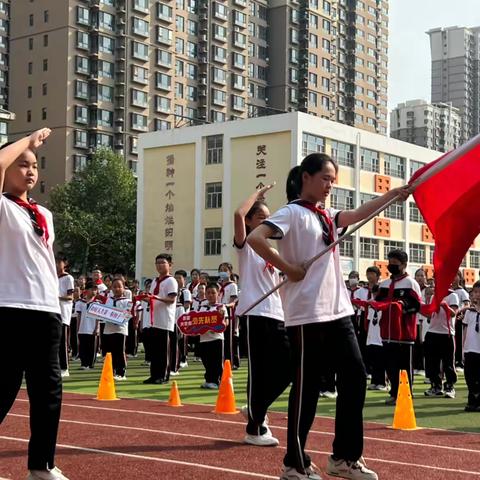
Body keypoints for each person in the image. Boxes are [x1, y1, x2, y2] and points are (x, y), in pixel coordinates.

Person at [248, 152, 409, 480]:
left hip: (339, 312)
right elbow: (255, 238)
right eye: (325, 178)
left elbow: (362, 212)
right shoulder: (291, 213)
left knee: (355, 379)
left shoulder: (329, 215)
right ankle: (294, 463)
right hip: (307, 315)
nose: (329, 186)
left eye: (333, 181)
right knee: (306, 389)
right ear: (305, 177)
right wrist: (289, 268)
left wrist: (394, 194)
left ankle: (345, 458)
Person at [0, 128, 71, 480]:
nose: (30, 170)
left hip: (46, 310)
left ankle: (41, 465)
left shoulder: (43, 212)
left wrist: (54, 306)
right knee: (3, 388)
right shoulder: (0, 206)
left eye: (34, 165)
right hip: (9, 308)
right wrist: (27, 141)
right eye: (21, 164)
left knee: (48, 392)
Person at [234, 184, 291, 447]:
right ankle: (255, 429)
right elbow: (237, 215)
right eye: (260, 217)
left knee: (287, 368)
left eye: (268, 218)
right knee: (258, 372)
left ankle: (257, 408)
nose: (266, 221)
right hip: (255, 313)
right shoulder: (245, 245)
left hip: (277, 315)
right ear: (249, 221)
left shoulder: (274, 251)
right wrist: (256, 193)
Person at [375, 250, 422, 405]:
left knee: (405, 367)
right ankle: (394, 392)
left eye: (395, 263)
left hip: (405, 333)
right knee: (391, 365)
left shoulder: (411, 283)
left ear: (404, 265)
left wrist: (401, 307)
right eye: (390, 262)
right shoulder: (384, 284)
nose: (392, 266)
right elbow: (378, 302)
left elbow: (417, 306)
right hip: (387, 332)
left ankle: (406, 394)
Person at [143, 254, 178, 385]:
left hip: (165, 321)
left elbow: (171, 299)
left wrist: (156, 298)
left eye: (163, 263)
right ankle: (154, 375)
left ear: (170, 264)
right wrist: (144, 298)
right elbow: (152, 298)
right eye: (157, 263)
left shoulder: (171, 281)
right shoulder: (155, 281)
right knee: (154, 351)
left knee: (163, 351)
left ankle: (163, 376)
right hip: (154, 320)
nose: (159, 265)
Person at [423, 289, 459, 398]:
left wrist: (445, 306)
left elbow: (453, 314)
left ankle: (450, 386)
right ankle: (436, 386)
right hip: (432, 331)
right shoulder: (435, 295)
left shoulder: (453, 295)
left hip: (446, 333)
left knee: (448, 362)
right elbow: (430, 315)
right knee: (432, 362)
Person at [197, 283, 228, 389]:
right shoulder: (202, 307)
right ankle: (209, 379)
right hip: (204, 339)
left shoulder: (221, 307)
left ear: (218, 294)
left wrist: (221, 317)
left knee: (216, 361)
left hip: (217, 338)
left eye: (213, 293)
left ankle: (217, 381)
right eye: (208, 293)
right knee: (206, 360)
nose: (210, 295)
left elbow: (226, 322)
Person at [103, 278, 131, 380]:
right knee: (110, 352)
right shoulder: (108, 300)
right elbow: (104, 312)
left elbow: (128, 314)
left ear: (124, 288)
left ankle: (121, 372)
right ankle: (112, 371)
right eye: (114, 286)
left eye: (119, 286)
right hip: (108, 329)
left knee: (120, 351)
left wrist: (118, 318)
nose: (116, 289)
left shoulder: (127, 301)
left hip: (120, 329)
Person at [462, 281, 480, 411]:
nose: (477, 295)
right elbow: (465, 330)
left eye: (479, 292)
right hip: (470, 349)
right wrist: (463, 348)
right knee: (469, 376)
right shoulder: (469, 312)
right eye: (475, 292)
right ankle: (472, 400)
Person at [218, 262, 239, 369]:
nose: (223, 272)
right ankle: (222, 361)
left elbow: (233, 301)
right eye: (221, 270)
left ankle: (230, 363)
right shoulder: (219, 286)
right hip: (219, 313)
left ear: (230, 272)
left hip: (228, 313)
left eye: (225, 270)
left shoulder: (232, 285)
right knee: (221, 339)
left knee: (229, 340)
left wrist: (225, 306)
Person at [57, 254, 75, 378]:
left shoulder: (68, 278)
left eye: (59, 262)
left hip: (63, 313)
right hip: (52, 311)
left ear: (65, 264)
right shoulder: (51, 276)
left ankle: (65, 368)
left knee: (63, 342)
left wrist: (56, 297)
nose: (56, 264)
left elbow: (70, 297)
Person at [171, 269, 192, 374]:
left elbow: (187, 304)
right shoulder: (173, 290)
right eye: (176, 278)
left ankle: (184, 359)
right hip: (173, 314)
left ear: (184, 279)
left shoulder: (185, 291)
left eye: (179, 278)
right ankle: (176, 358)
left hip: (181, 314)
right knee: (175, 338)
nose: (177, 280)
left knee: (182, 338)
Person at [76, 281, 100, 370]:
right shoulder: (80, 303)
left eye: (95, 289)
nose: (94, 291)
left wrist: (97, 328)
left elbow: (98, 317)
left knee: (91, 347)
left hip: (92, 328)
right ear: (87, 290)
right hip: (82, 328)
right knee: (83, 347)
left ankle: (90, 364)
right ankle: (83, 363)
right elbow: (78, 316)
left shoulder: (97, 303)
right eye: (92, 289)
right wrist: (78, 328)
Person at [452, 271, 470, 371]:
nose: (453, 278)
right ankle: (453, 360)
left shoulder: (462, 291)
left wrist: (460, 311)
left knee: (459, 339)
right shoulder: (449, 291)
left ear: (460, 278)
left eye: (455, 276)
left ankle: (459, 361)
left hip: (459, 317)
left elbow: (467, 304)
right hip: (450, 318)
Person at [413, 268, 428, 376]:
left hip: (425, 319)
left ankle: (423, 367)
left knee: (423, 342)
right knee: (415, 343)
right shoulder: (412, 289)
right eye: (418, 275)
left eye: (422, 275)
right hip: (414, 318)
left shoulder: (428, 290)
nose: (420, 278)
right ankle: (416, 365)